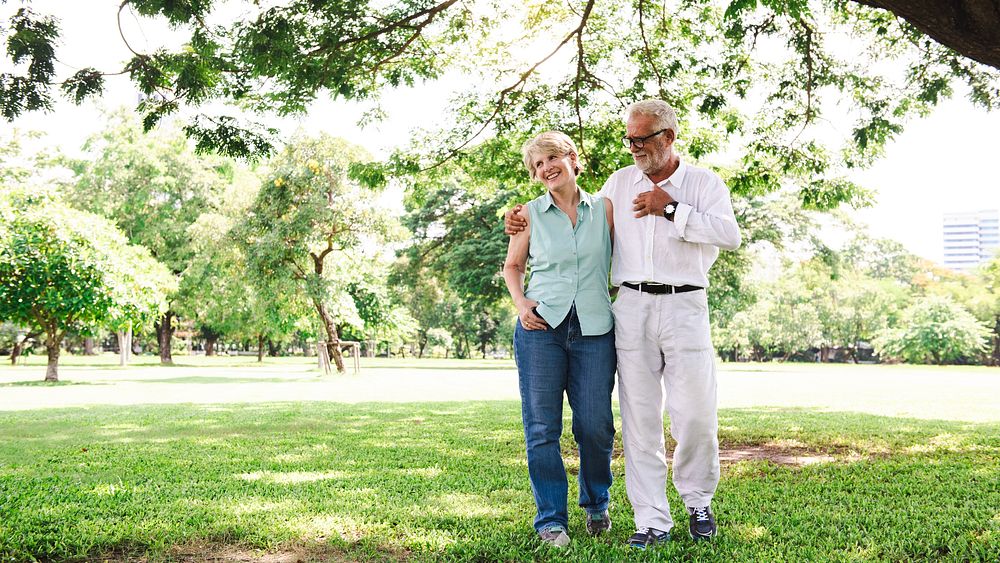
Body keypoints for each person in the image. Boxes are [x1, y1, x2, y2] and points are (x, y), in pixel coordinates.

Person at [506, 100, 741, 548]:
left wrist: (671, 210)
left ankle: (698, 503)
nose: (632, 147)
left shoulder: (702, 183)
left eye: (641, 139)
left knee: (693, 415)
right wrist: (519, 217)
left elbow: (729, 235)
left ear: (667, 137)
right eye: (628, 139)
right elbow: (576, 218)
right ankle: (651, 519)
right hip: (629, 307)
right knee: (639, 420)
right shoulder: (619, 183)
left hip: (685, 305)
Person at [502, 131, 617, 548]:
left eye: (551, 157)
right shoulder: (528, 215)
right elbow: (513, 266)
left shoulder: (605, 209)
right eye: (537, 165)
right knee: (541, 429)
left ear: (571, 157)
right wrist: (521, 303)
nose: (545, 168)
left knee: (596, 426)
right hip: (541, 330)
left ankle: (596, 503)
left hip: (594, 330)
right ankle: (551, 520)